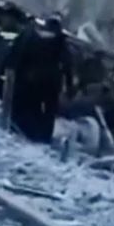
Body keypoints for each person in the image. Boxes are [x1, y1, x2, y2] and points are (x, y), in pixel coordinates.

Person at [7, 13, 74, 143]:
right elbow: (67, 64)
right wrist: (69, 87)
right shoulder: (61, 40)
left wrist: (16, 78)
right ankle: (43, 138)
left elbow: (16, 58)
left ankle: (23, 134)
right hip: (51, 83)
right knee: (48, 114)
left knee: (29, 109)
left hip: (29, 81)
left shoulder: (30, 36)